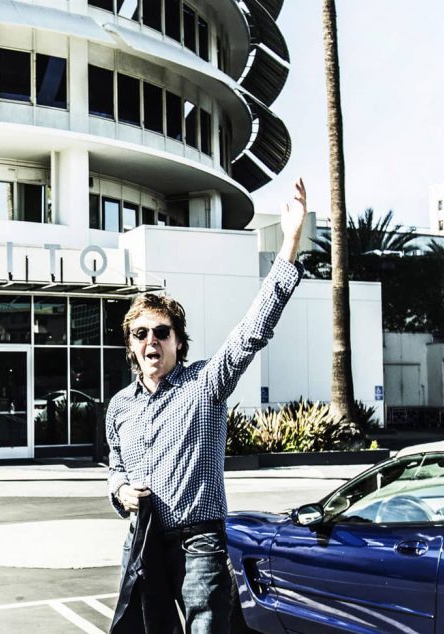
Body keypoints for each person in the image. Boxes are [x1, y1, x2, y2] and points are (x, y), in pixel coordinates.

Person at [106, 179, 308, 633]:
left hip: (200, 543)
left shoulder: (205, 384)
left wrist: (290, 240)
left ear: (178, 340)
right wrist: (119, 491)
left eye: (160, 332)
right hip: (144, 544)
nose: (150, 340)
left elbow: (254, 329)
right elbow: (115, 467)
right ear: (131, 346)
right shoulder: (119, 407)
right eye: (141, 334)